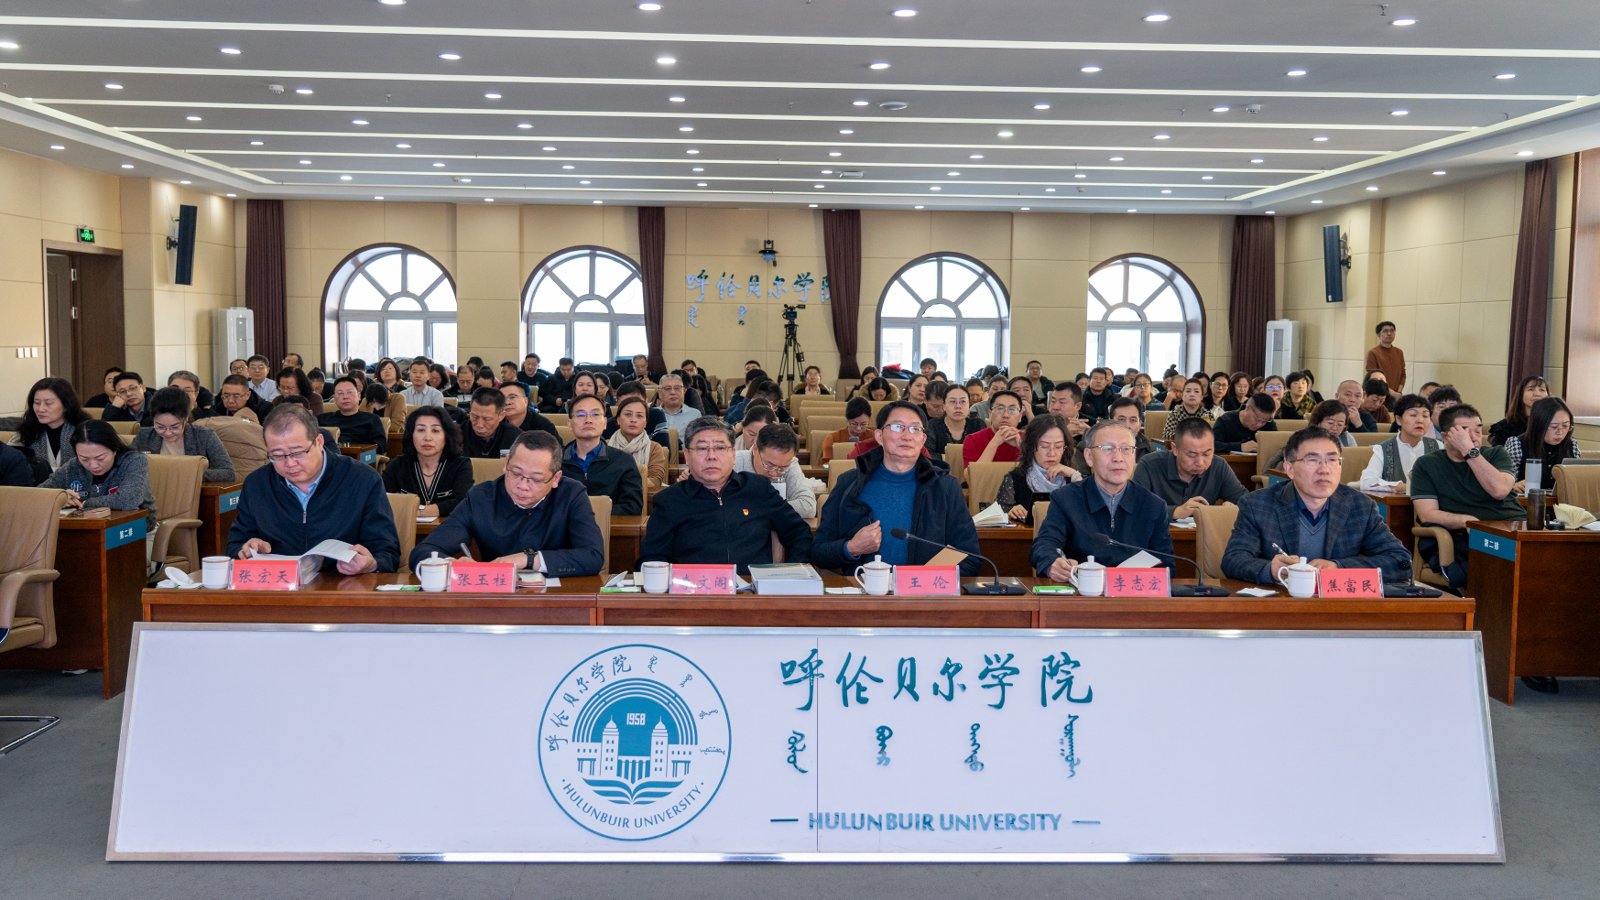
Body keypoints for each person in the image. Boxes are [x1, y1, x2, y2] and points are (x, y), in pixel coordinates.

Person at [1221, 427, 1412, 585]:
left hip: (1337, 609)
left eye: (1332, 460)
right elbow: (1233, 560)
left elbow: (1400, 561)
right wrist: (1270, 569)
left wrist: (1338, 567)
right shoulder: (1257, 504)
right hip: (1280, 606)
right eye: (1312, 460)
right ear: (1289, 469)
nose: (1324, 469)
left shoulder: (1360, 506)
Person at [812, 402, 980, 575]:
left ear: (923, 440)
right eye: (898, 427)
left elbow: (969, 557)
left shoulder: (945, 487)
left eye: (915, 429)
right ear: (879, 436)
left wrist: (923, 581)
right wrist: (852, 548)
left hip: (923, 590)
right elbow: (818, 552)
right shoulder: (850, 483)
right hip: (864, 588)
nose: (907, 436)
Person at [227, 404, 399, 574]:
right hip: (278, 584)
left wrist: (371, 564)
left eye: (297, 453)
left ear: (319, 442)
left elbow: (387, 552)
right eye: (277, 455)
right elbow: (235, 545)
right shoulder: (257, 484)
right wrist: (246, 549)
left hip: (342, 584)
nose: (290, 463)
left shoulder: (363, 480)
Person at [409, 431, 604, 577]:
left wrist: (529, 559)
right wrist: (448, 564)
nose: (523, 485)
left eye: (536, 479)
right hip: (495, 599)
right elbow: (423, 552)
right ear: (506, 463)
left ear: (555, 478)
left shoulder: (571, 495)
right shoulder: (481, 498)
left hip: (556, 602)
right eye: (516, 473)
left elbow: (593, 556)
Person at [639, 417, 812, 573]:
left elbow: (799, 532)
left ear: (733, 455)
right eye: (702, 448)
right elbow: (651, 558)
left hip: (752, 591)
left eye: (720, 448)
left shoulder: (758, 489)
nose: (711, 456)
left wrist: (790, 573)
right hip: (694, 593)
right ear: (687, 456)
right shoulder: (669, 501)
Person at [1031, 420, 1174, 581]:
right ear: (1089, 456)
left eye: (1126, 449)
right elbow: (1045, 545)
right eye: (1108, 449)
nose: (1118, 458)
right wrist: (1053, 563)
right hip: (1082, 592)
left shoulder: (1153, 506)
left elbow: (1166, 564)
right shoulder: (1066, 499)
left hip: (1133, 592)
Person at [1408, 404, 1523, 588]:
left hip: (1512, 527)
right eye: (1464, 432)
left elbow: (1500, 490)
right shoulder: (1427, 464)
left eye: (1477, 431)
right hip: (1469, 535)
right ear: (1445, 436)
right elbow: (1427, 515)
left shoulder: (1496, 454)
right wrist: (1467, 521)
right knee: (1497, 567)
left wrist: (1470, 451)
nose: (1474, 438)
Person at [42, 420, 157, 530]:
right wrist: (60, 497)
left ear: (114, 449)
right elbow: (38, 494)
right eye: (84, 459)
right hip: (85, 530)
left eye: (100, 458)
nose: (93, 465)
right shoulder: (73, 466)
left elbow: (129, 499)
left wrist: (86, 503)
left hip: (136, 530)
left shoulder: (134, 461)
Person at [1134, 416, 1248, 520]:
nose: (1200, 462)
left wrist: (1231, 507)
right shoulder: (1150, 465)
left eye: (1207, 454)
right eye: (1192, 455)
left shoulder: (1218, 466)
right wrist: (1175, 511)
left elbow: (1247, 502)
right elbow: (1135, 506)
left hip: (1201, 535)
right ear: (1175, 449)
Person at [382, 406, 474, 518]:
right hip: (404, 528)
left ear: (446, 436)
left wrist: (419, 511)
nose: (427, 438)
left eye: (435, 430)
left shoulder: (460, 465)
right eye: (421, 430)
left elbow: (463, 502)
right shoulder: (398, 465)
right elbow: (380, 500)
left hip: (449, 527)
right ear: (411, 435)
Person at [560, 394, 644, 516]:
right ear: (569, 424)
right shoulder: (554, 461)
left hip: (610, 526)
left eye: (595, 414)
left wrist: (591, 513)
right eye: (581, 415)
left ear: (605, 423)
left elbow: (632, 507)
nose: (588, 420)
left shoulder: (623, 461)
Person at [130, 387, 236, 482]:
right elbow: (127, 467)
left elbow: (228, 473)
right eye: (160, 427)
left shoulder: (204, 436)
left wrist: (185, 474)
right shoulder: (144, 436)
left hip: (193, 494)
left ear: (186, 419)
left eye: (175, 427)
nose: (168, 433)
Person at [995, 415, 1079, 526]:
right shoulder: (1016, 478)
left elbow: (1091, 514)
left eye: (1058, 446)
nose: (1052, 453)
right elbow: (998, 517)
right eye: (1044, 446)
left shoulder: (1074, 478)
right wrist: (1010, 512)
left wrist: (1075, 476)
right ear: (1031, 447)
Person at [12, 377, 91, 479]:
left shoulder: (85, 430)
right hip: (36, 486)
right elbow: (10, 460)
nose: (41, 409)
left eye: (48, 403)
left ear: (66, 405)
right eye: (37, 403)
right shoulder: (26, 431)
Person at [734, 423, 817, 519]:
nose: (774, 474)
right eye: (769, 465)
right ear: (755, 449)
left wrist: (761, 508)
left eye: (782, 468)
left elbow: (809, 506)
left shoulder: (790, 463)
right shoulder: (732, 463)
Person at [1359, 394, 1441, 487]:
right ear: (1398, 419)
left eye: (1425, 415)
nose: (1420, 420)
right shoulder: (1383, 449)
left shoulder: (1439, 447)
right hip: (1396, 497)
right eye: (1413, 415)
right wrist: (1399, 486)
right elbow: (1367, 482)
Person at [1504, 397, 1579, 493]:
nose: (1560, 432)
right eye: (1554, 426)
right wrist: (1514, 485)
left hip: (1562, 501)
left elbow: (1576, 479)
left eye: (1565, 426)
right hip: (1525, 500)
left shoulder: (1571, 444)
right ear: (1538, 425)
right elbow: (1503, 481)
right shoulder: (1517, 444)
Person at [1071, 397, 1155, 468]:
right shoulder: (1088, 448)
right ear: (1110, 421)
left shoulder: (1149, 450)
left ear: (1140, 424)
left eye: (1133, 420)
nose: (1127, 425)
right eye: (1121, 419)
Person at [607, 395, 669, 490]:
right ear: (618, 419)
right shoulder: (604, 446)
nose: (633, 420)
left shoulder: (655, 448)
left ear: (645, 423)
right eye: (628, 414)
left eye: (639, 416)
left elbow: (655, 481)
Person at [318, 376, 388, 446]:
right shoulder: (322, 419)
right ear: (335, 398)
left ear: (359, 396)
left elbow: (381, 446)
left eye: (350, 392)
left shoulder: (372, 420)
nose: (345, 397)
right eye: (340, 393)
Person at [963, 389, 1026, 466]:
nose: (1005, 415)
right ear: (990, 414)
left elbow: (1038, 471)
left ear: (1020, 416)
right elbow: (971, 473)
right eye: (1000, 409)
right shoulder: (973, 440)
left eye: (1012, 409)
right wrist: (994, 443)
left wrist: (1022, 447)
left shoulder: (1029, 439)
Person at [459, 387, 522, 459]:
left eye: (487, 419)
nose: (480, 425)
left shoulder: (516, 438)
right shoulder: (456, 435)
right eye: (474, 416)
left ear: (501, 415)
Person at [1488, 375, 1550, 446]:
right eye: (1531, 389)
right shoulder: (1504, 427)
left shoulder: (1552, 424)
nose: (1537, 394)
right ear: (1521, 394)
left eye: (1542, 390)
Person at [1211, 393, 1278, 454]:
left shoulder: (1269, 423)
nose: (1259, 424)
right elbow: (1212, 445)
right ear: (1247, 408)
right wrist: (1239, 447)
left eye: (1264, 421)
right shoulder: (1225, 421)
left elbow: (1277, 445)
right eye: (1257, 419)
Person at [926, 385, 981, 457]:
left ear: (969, 405)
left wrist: (947, 457)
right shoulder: (932, 425)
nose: (958, 406)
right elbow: (927, 455)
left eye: (963, 401)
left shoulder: (978, 424)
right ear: (944, 406)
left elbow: (984, 453)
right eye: (952, 401)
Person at [1161, 376, 1214, 442]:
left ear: (1201, 397)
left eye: (1196, 391)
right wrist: (1190, 436)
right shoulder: (1175, 414)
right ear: (1182, 395)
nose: (1192, 394)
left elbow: (1212, 436)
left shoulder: (1208, 415)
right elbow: (1166, 435)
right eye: (1188, 391)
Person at [822, 397, 875, 461]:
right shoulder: (833, 438)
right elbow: (827, 464)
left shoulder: (873, 437)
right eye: (854, 424)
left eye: (863, 424)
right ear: (847, 420)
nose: (858, 428)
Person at [652, 373, 701, 441]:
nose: (673, 392)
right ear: (659, 392)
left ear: (684, 391)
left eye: (677, 388)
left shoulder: (695, 414)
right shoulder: (651, 414)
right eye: (668, 388)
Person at [1365, 320, 1406, 396]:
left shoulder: (1399, 352)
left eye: (1392, 330)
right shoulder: (1373, 353)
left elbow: (1403, 374)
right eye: (1385, 331)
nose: (1389, 333)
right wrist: (1392, 393)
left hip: (1396, 395)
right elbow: (1374, 377)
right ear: (1378, 334)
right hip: (1379, 395)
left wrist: (1399, 392)